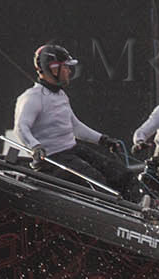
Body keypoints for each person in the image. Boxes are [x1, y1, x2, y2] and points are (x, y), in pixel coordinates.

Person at [13, 43, 134, 195]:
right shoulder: (32, 97)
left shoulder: (61, 95)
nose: (69, 71)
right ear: (53, 68)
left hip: (72, 150)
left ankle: (142, 207)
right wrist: (35, 146)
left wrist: (102, 139)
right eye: (65, 67)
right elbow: (21, 127)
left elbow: (75, 126)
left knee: (119, 173)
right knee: (98, 182)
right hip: (52, 158)